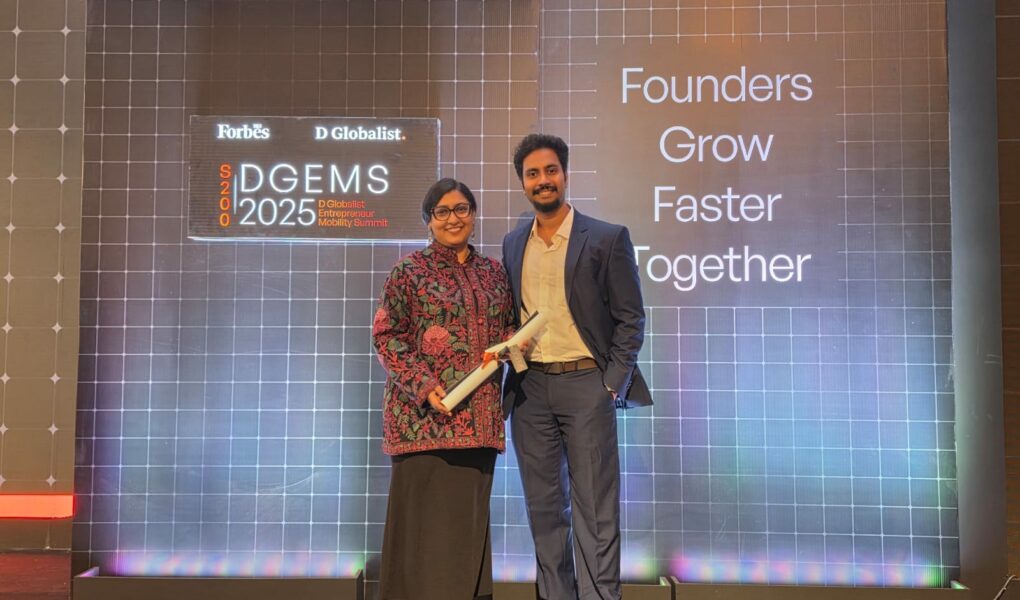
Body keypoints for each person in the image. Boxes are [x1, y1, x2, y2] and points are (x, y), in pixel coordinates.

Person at [501, 133, 652, 600]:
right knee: (544, 511)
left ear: (565, 174)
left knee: (595, 512)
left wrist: (611, 383)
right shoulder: (513, 243)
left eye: (550, 170)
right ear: (523, 183)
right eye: (532, 174)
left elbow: (631, 318)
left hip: (587, 384)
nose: (542, 180)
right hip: (530, 391)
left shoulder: (606, 237)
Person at [372, 178, 515, 600]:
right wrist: (424, 385)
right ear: (428, 220)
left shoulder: (494, 273)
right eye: (443, 211)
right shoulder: (408, 271)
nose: (453, 218)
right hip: (422, 424)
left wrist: (513, 343)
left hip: (478, 426)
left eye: (462, 209)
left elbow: (506, 328)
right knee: (420, 542)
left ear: (474, 214)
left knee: (464, 541)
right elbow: (386, 336)